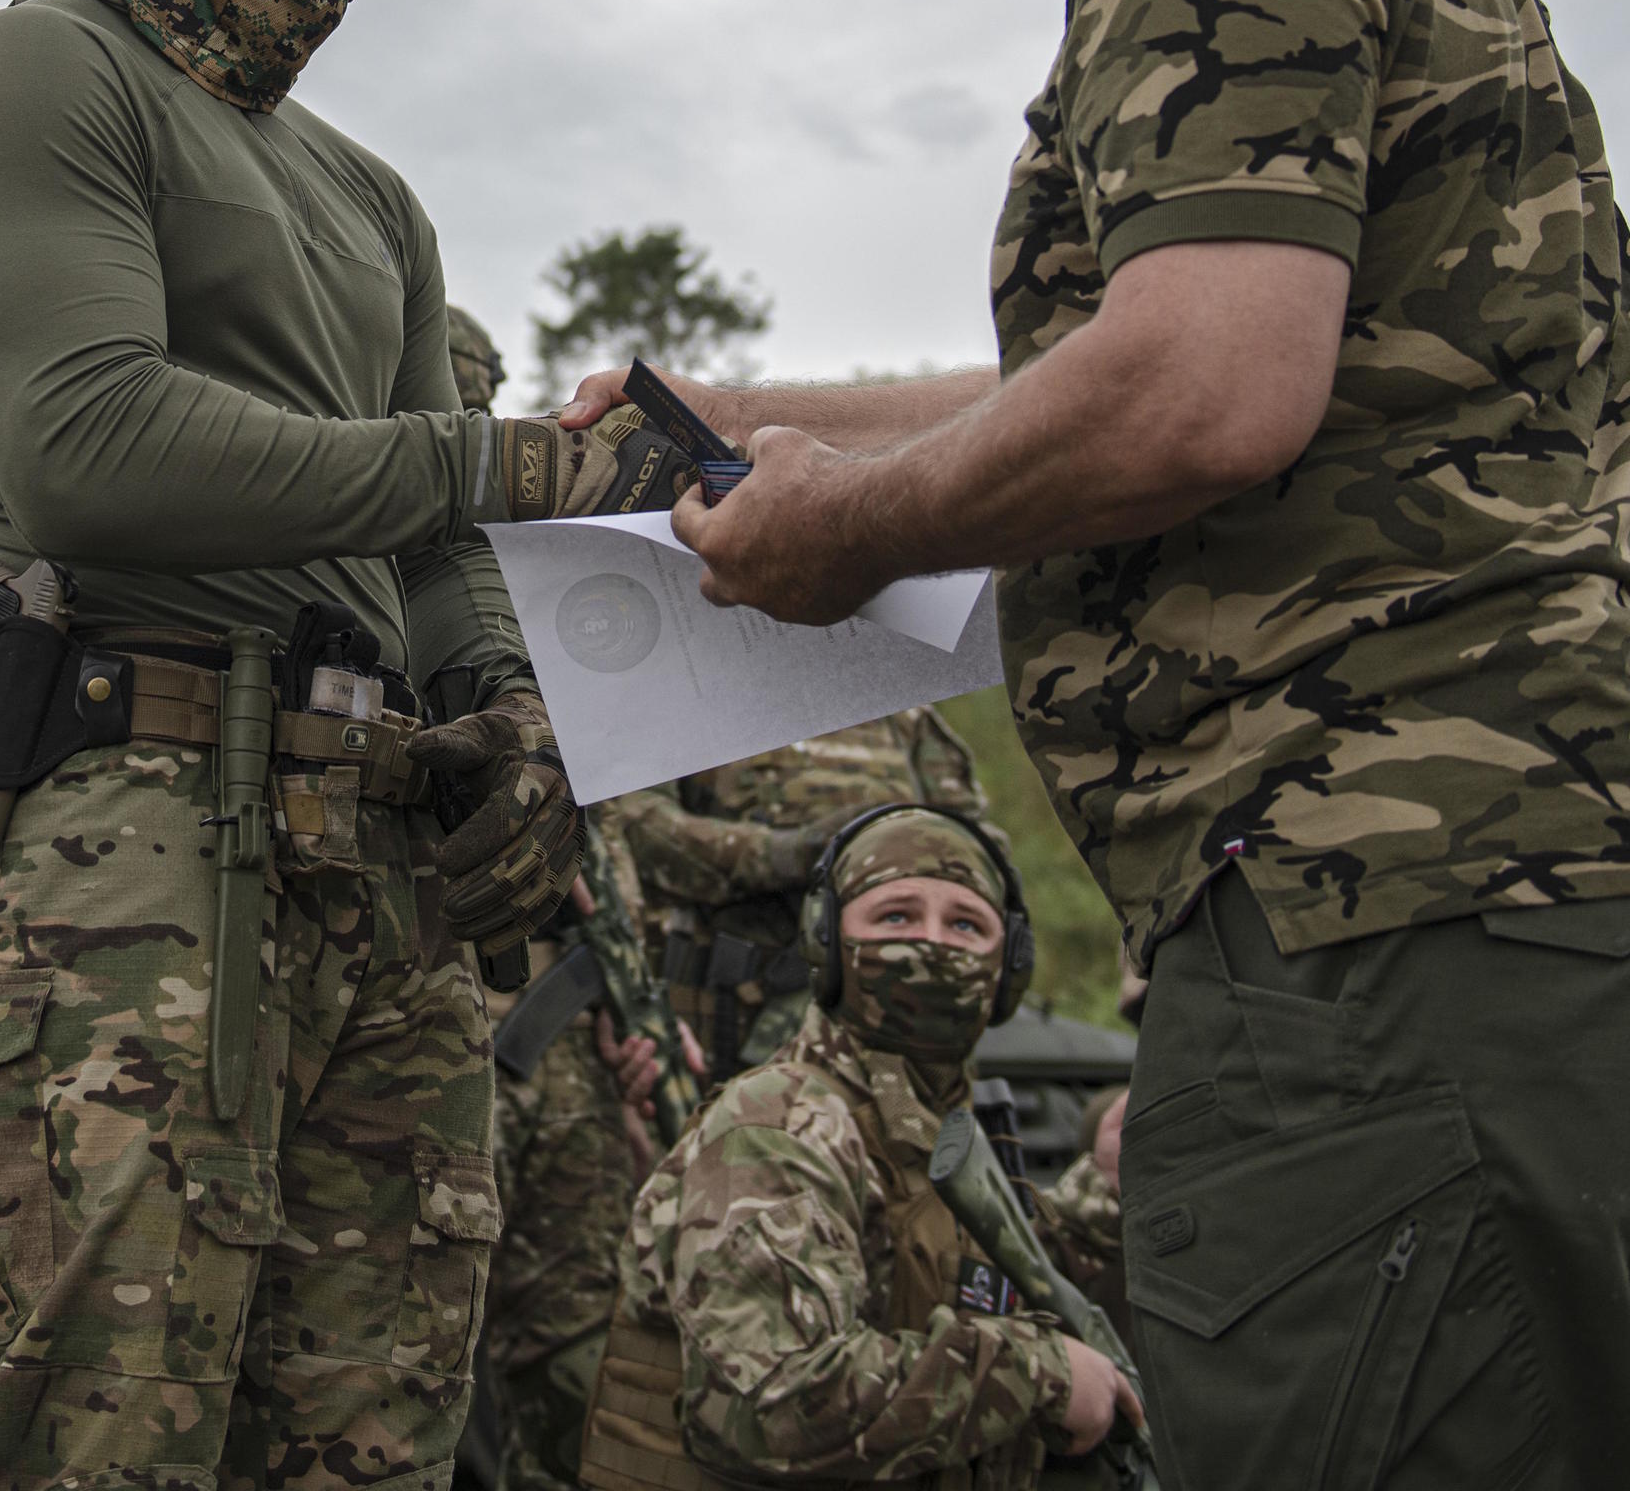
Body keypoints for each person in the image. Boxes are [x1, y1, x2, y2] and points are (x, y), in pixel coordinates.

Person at [573, 0, 1630, 1485]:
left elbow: (1203, 384)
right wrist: (871, 451)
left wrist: (850, 528)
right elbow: (1311, 372)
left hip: (1381, 936)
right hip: (1564, 918)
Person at [0, 0, 637, 1489]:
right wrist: (491, 452)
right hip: (127, 848)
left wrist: (504, 704)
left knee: (372, 1446)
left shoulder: (371, 196)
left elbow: (438, 548)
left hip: (382, 876)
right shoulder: (32, 76)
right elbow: (84, 443)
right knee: (98, 1439)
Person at [582, 808, 1131, 1491]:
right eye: (895, 917)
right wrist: (1033, 1374)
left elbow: (996, 1283)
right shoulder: (779, 1123)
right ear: (829, 945)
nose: (931, 944)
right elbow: (775, 1408)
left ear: (1008, 966)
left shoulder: (936, 1121)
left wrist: (1106, 1184)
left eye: (966, 924)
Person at [447, 307, 669, 1491]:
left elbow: (607, 810)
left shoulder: (545, 581)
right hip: (436, 1018)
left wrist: (633, 1007)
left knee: (576, 1359)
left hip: (565, 1032)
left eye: (477, 397)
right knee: (428, 1353)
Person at [636, 711, 983, 1076]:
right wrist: (790, 853)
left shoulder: (901, 713)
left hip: (895, 1027)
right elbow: (634, 829)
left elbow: (977, 853)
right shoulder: (679, 695)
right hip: (720, 1023)